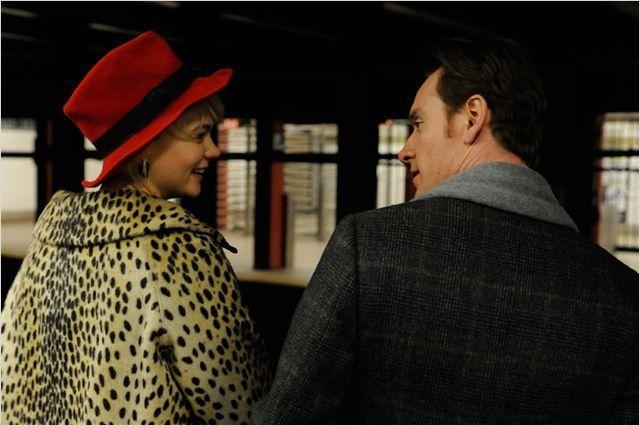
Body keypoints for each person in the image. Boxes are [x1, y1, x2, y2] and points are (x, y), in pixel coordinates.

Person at [252, 37, 639, 424]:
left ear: (472, 117)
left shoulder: (366, 248)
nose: (404, 150)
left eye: (418, 124)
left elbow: (287, 417)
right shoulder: (624, 296)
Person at [1, 31, 271, 424]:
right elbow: (240, 405)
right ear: (147, 146)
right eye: (199, 135)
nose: (213, 150)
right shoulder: (177, 250)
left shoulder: (46, 245)